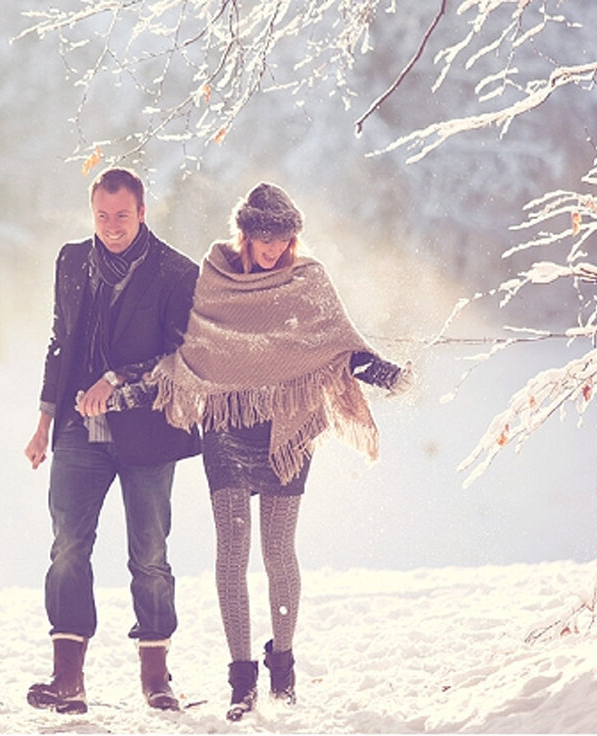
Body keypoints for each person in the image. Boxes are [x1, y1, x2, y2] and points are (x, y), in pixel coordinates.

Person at [107, 182, 411, 721]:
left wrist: (387, 374)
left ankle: (284, 664)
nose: (274, 249)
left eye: (284, 239)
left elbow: (338, 348)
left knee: (277, 550)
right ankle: (241, 677)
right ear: (243, 234)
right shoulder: (216, 281)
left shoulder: (307, 281)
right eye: (264, 238)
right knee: (232, 549)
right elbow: (194, 354)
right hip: (225, 425)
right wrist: (129, 390)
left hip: (288, 429)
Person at [23, 167, 201, 714]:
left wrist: (117, 379)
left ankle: (156, 676)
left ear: (143, 212)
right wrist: (44, 421)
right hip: (79, 431)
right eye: (102, 216)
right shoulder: (72, 261)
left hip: (148, 431)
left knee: (149, 555)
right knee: (68, 548)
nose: (112, 226)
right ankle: (67, 678)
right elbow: (61, 342)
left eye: (122, 215)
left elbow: (179, 359)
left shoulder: (176, 272)